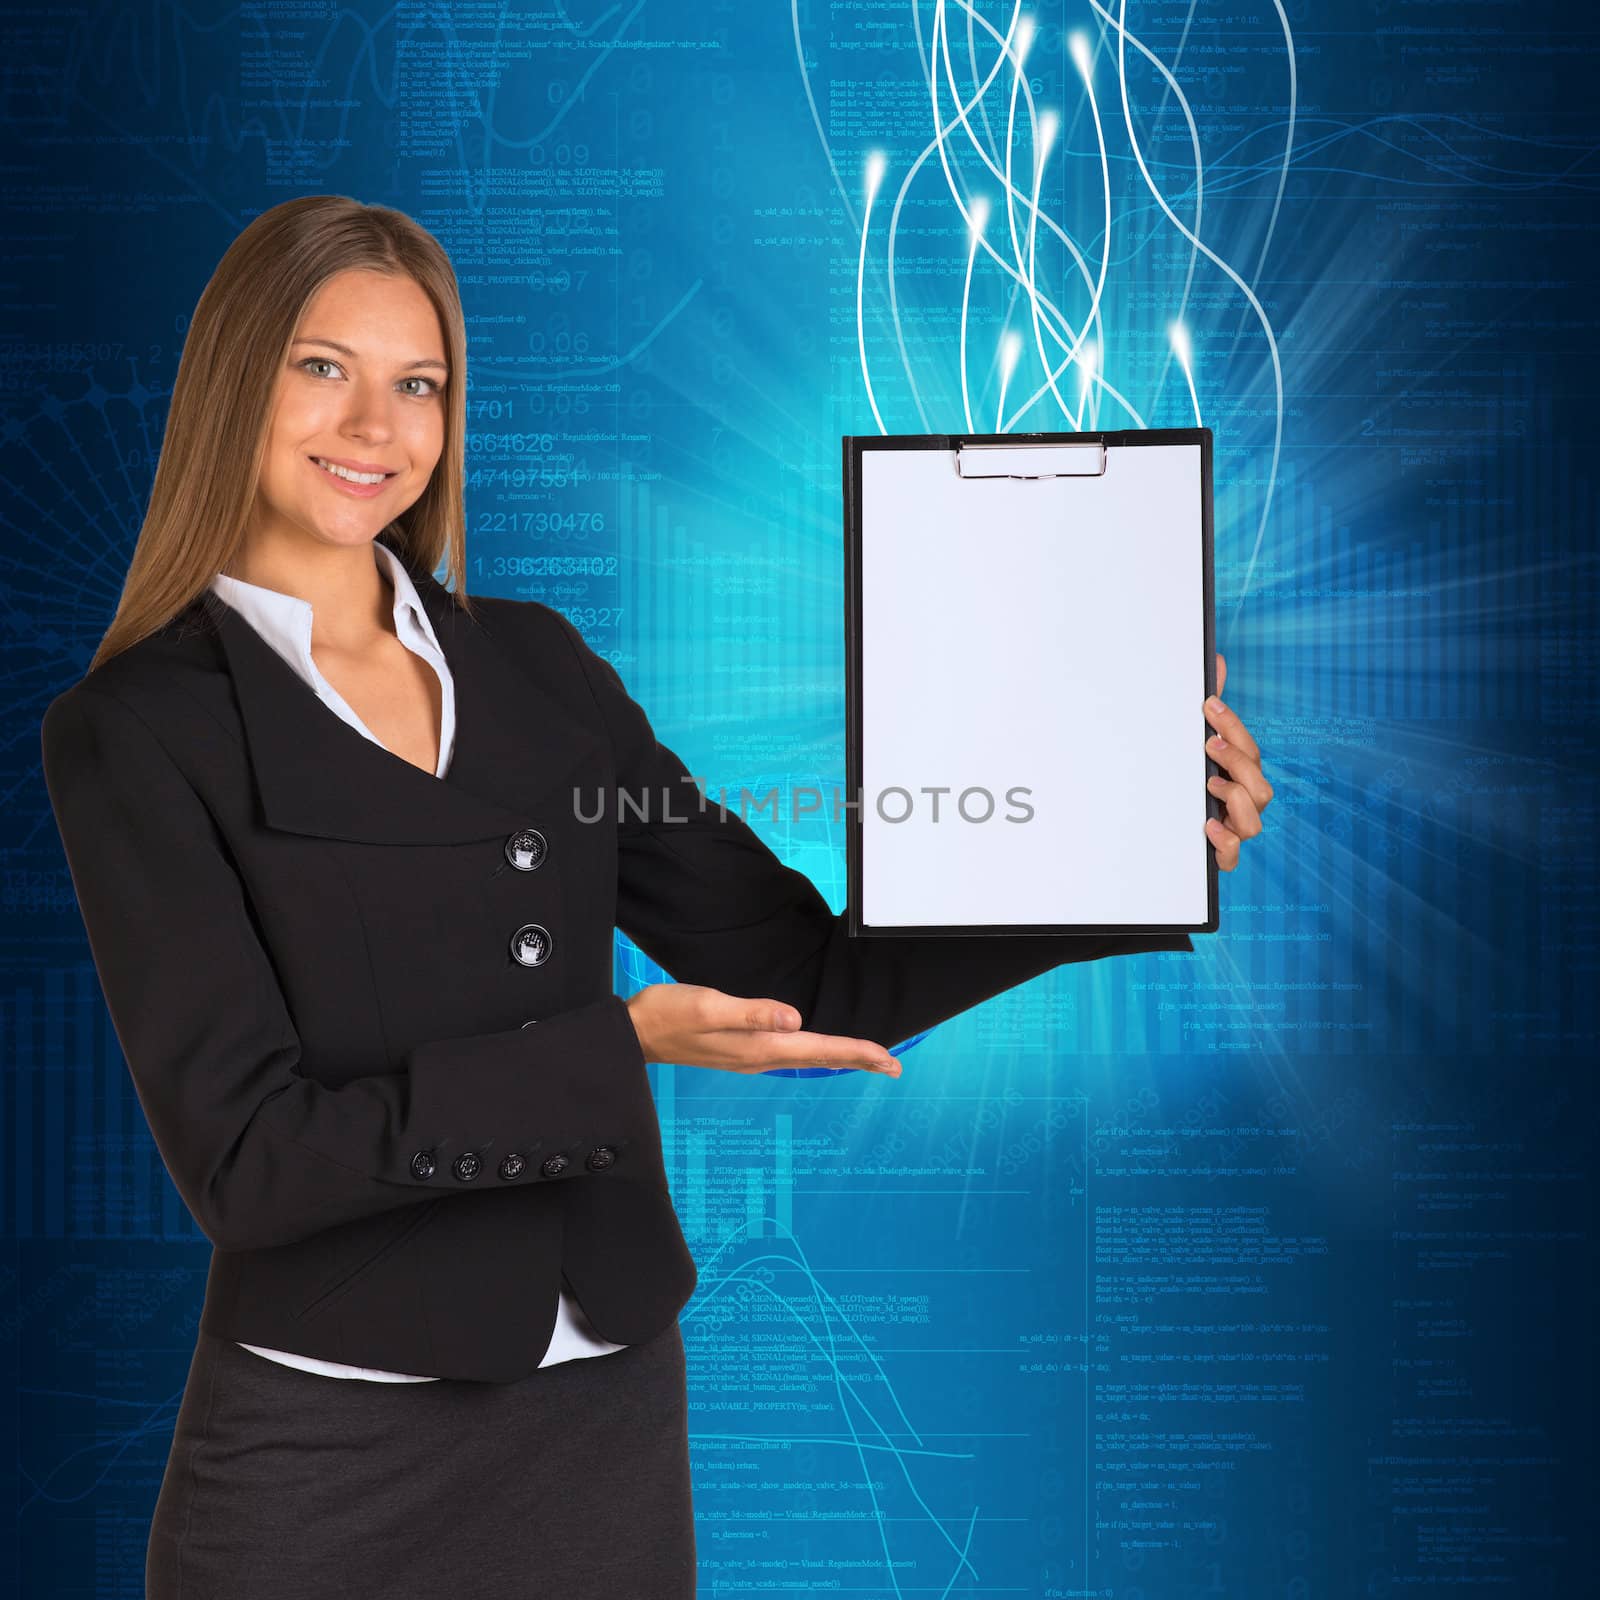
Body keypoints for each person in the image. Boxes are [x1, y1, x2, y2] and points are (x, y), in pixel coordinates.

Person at [38, 195, 1271, 1598]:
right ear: (232, 380)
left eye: (418, 383)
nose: (375, 426)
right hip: (328, 1449)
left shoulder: (539, 667)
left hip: (604, 1420)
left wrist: (1126, 853)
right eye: (323, 367)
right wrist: (611, 1048)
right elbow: (251, 1167)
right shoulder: (138, 731)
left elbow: (808, 968)